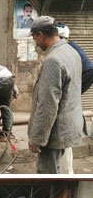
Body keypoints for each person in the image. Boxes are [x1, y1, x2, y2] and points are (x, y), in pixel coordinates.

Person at [28, 16, 85, 174]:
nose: (35, 42)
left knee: (48, 175)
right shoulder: (71, 51)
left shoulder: (53, 60)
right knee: (60, 173)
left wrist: (37, 138)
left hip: (54, 132)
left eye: (34, 37)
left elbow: (47, 104)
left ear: (40, 34)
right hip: (68, 126)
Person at [57, 22, 93, 173]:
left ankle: (66, 171)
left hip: (86, 73)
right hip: (86, 74)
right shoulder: (69, 47)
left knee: (64, 139)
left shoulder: (66, 49)